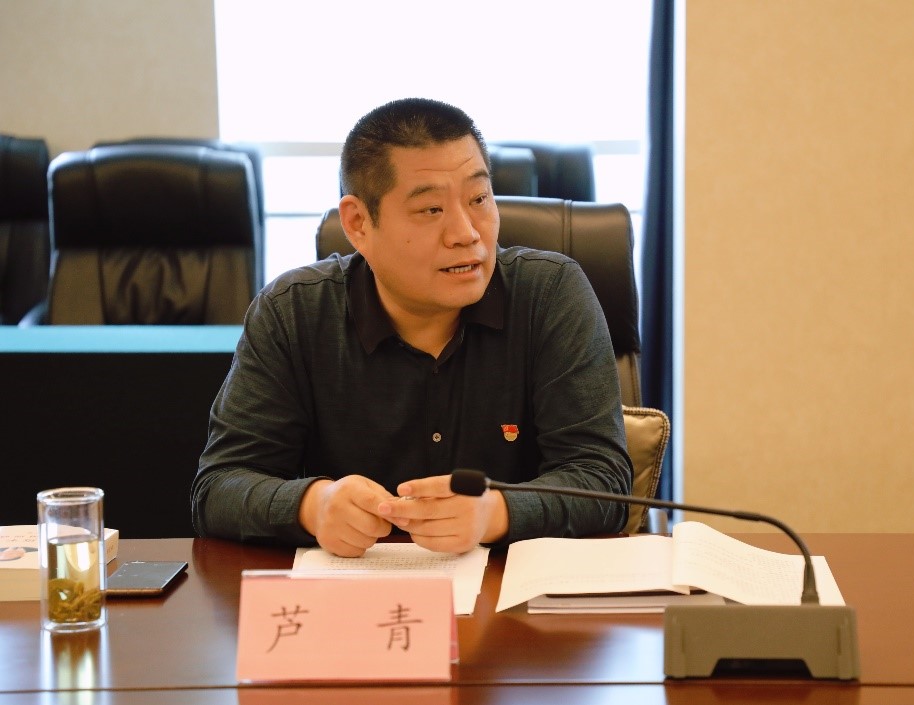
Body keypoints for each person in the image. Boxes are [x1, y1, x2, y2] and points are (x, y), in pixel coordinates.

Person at [191, 98, 632, 557]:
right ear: (358, 223)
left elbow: (603, 480)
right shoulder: (293, 312)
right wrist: (312, 505)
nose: (466, 233)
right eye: (430, 210)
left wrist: (495, 512)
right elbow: (219, 487)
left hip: (512, 589)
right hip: (353, 592)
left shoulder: (550, 295)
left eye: (479, 199)